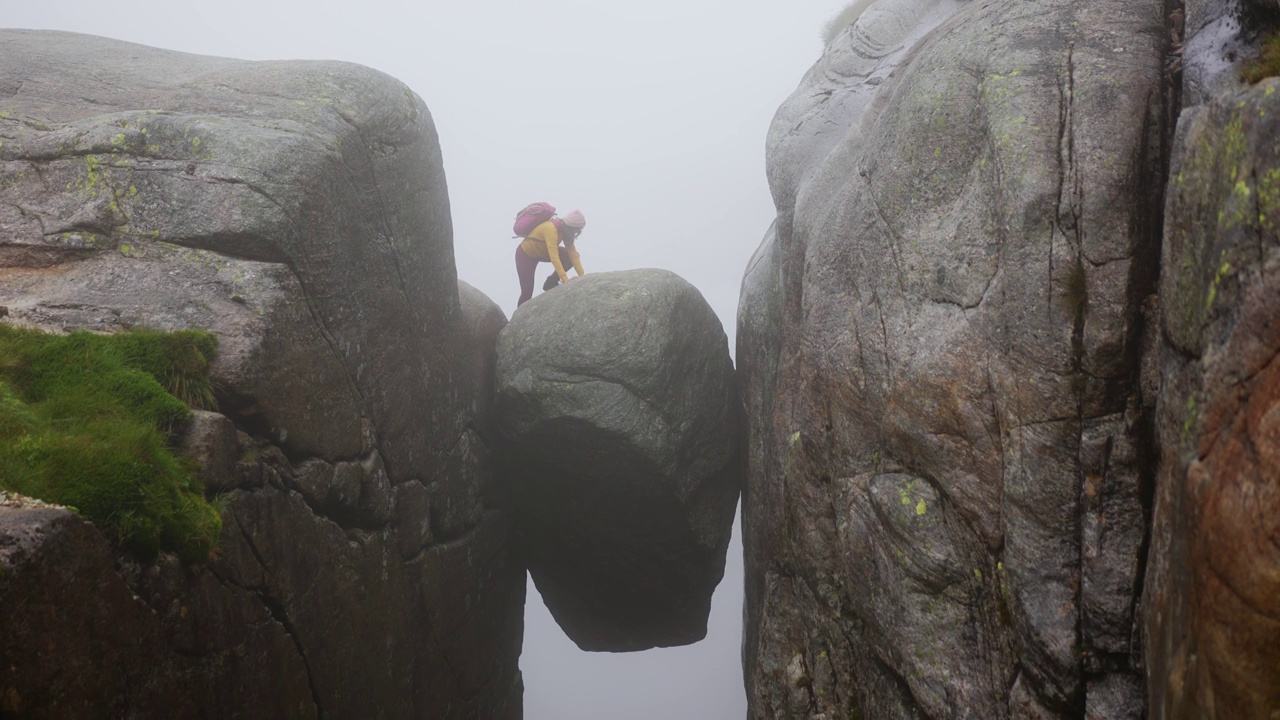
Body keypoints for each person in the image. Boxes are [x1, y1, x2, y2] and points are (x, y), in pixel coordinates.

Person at [515, 209, 586, 306]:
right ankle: (518, 319)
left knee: (569, 257)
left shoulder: (566, 231)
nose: (576, 233)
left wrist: (583, 277)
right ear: (571, 227)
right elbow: (554, 257)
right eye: (576, 230)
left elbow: (573, 255)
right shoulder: (551, 229)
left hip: (543, 253)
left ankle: (551, 282)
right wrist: (565, 279)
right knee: (527, 292)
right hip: (526, 255)